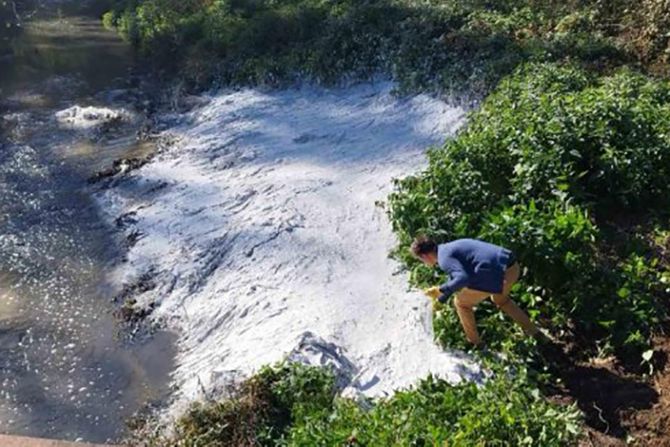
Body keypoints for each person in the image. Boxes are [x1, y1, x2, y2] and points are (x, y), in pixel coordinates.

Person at [411, 236, 538, 346]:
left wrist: (441, 292)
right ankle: (536, 333)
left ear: (425, 256)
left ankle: (476, 343)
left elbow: (462, 278)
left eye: (421, 260)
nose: (424, 263)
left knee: (461, 303)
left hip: (499, 276)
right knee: (501, 300)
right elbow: (461, 273)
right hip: (512, 267)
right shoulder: (449, 247)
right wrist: (443, 293)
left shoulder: (444, 259)